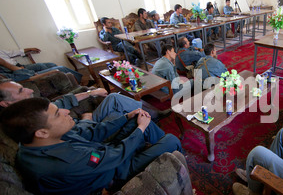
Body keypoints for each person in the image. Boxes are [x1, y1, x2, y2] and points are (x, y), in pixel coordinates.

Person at [0, 97, 183, 195]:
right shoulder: (63, 163)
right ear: (41, 132)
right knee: (171, 139)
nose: (66, 111)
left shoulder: (49, 137)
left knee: (138, 120)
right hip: (113, 173)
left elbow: (95, 132)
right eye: (57, 114)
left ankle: (158, 151)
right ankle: (172, 160)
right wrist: (140, 129)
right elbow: (114, 156)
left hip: (103, 154)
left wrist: (127, 117)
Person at [0, 80, 171, 124]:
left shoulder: (32, 105)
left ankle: (153, 114)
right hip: (86, 127)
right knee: (116, 105)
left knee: (114, 96)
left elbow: (64, 101)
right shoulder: (26, 121)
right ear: (5, 104)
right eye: (22, 91)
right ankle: (153, 116)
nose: (30, 90)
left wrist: (91, 92)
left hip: (84, 123)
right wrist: (85, 121)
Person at [0, 48, 82, 83]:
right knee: (61, 68)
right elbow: (22, 76)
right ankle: (80, 81)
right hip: (20, 72)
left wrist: (29, 49)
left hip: (20, 67)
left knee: (51, 64)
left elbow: (12, 52)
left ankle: (66, 80)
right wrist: (6, 64)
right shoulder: (3, 73)